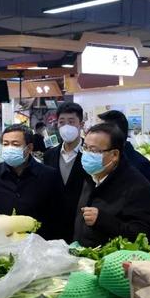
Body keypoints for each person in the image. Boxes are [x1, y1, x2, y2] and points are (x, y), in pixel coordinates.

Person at [74, 123, 150, 247]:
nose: (86, 154)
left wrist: (103, 220)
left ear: (114, 155)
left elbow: (144, 236)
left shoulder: (137, 186)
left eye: (93, 150)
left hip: (113, 262)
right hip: (84, 258)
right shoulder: (91, 175)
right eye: (85, 148)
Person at [0, 124, 63, 239]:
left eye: (15, 144)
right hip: (0, 244)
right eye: (5, 144)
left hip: (38, 245)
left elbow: (57, 216)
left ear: (29, 148)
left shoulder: (49, 176)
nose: (9, 148)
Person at [98, 110, 150, 241]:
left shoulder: (140, 166)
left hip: (131, 246)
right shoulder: (100, 165)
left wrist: (149, 246)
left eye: (100, 131)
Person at [43, 103, 90, 242]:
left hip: (80, 221)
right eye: (62, 122)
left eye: (71, 122)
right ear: (57, 125)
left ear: (80, 124)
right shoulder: (49, 155)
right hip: (54, 222)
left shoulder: (90, 154)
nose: (66, 126)